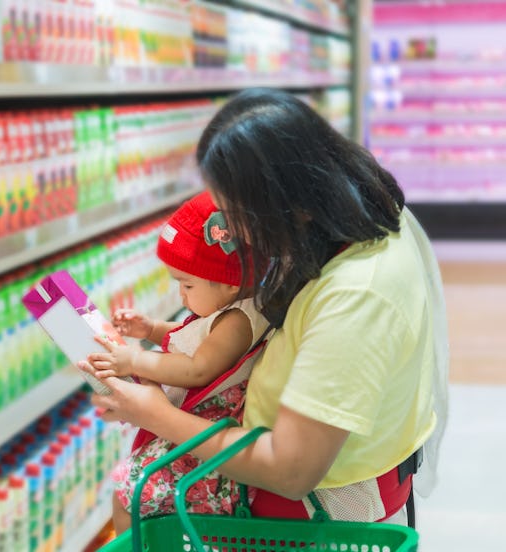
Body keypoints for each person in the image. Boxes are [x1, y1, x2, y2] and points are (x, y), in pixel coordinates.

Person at [80, 88, 448, 533]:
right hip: (306, 474)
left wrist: (153, 413)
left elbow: (290, 471)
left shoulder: (356, 296)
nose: (231, 234)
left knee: (136, 495)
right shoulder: (358, 214)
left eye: (238, 214)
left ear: (291, 204)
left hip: (320, 509)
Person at [86, 191, 271, 527]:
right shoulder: (234, 310)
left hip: (208, 442)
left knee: (132, 492)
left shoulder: (237, 322)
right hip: (204, 434)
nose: (180, 295)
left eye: (187, 285)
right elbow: (197, 337)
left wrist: (134, 362)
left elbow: (197, 368)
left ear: (229, 286)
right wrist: (152, 328)